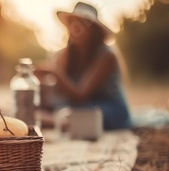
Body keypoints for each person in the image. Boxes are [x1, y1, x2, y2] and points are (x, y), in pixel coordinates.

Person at [36, 2, 132, 130]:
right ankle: (54, 120)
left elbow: (80, 95)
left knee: (79, 113)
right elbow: (59, 93)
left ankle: (57, 122)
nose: (76, 27)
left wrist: (55, 73)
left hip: (107, 108)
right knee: (60, 108)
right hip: (81, 106)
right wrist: (38, 81)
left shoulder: (107, 56)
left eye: (82, 22)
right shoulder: (65, 54)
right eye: (73, 22)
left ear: (94, 29)